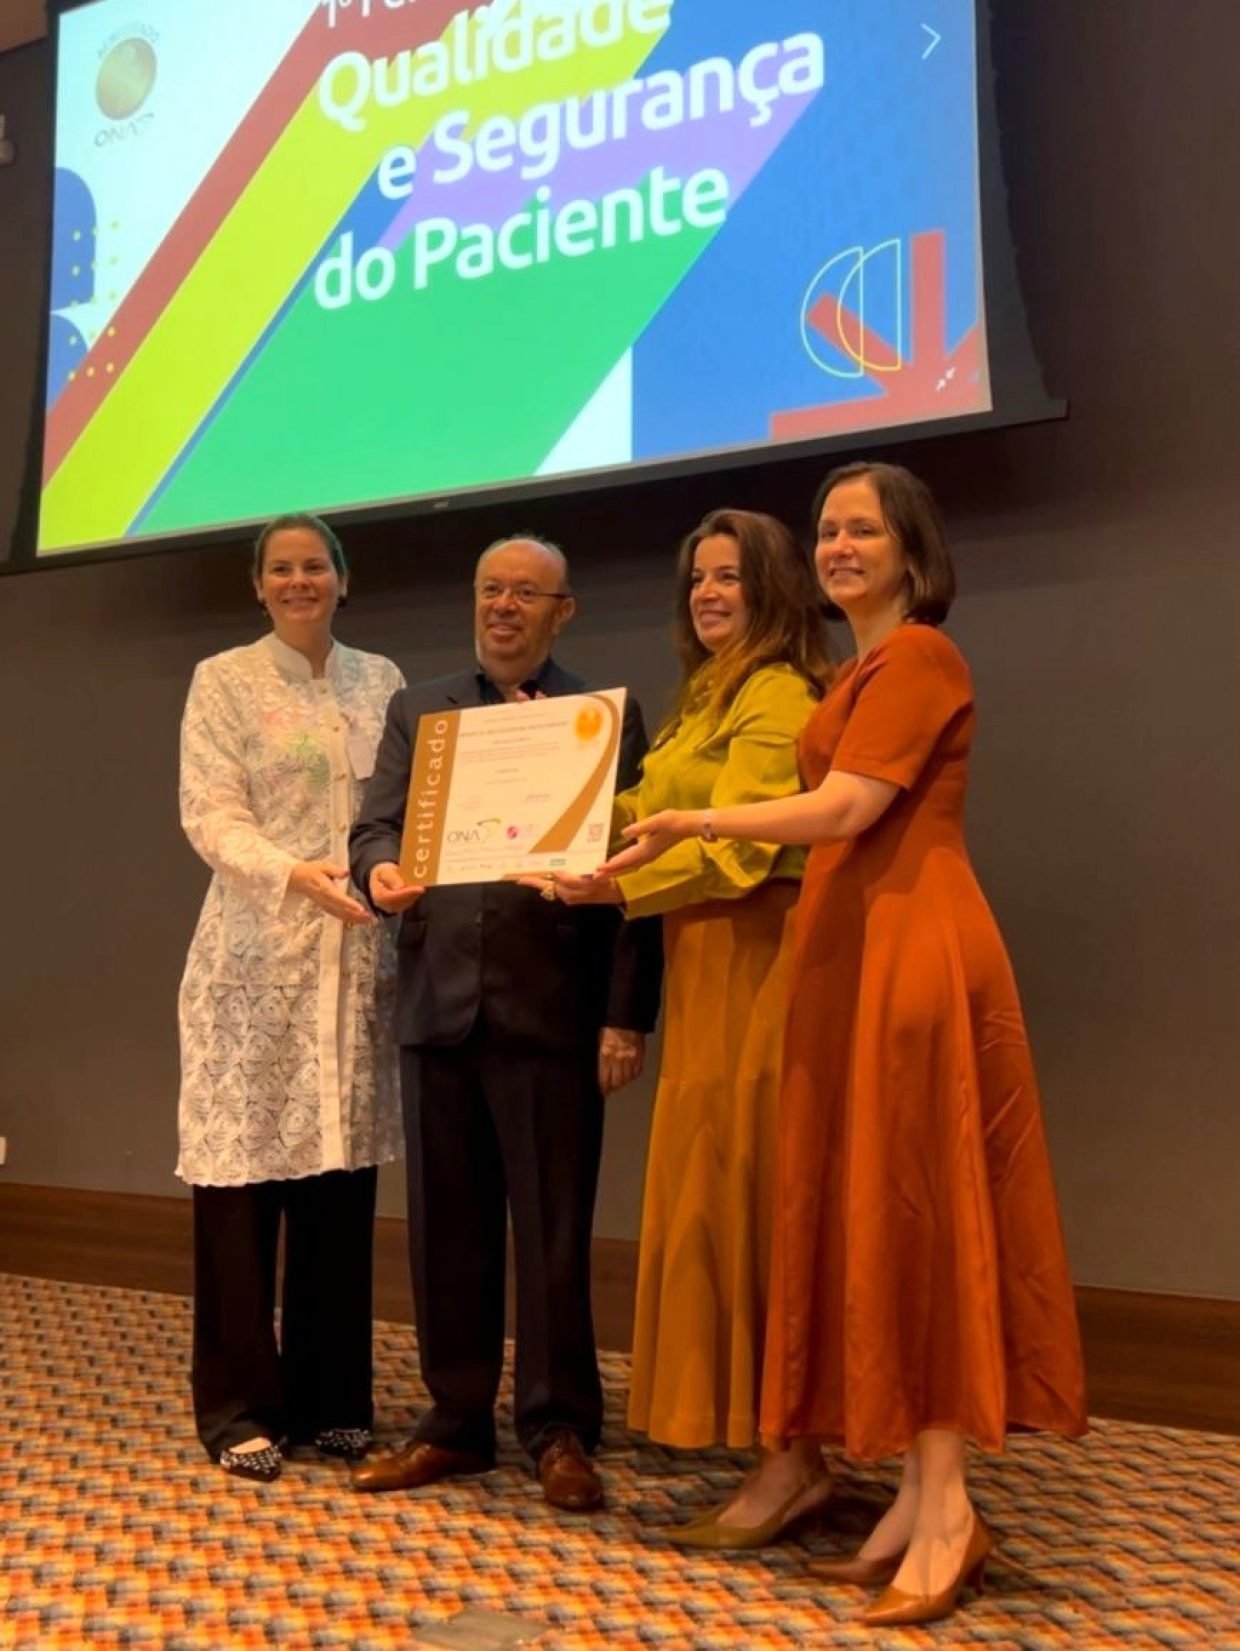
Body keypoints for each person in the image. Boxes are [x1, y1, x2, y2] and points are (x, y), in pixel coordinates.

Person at [603, 463, 1087, 1624]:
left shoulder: (916, 657)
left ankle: (949, 1503)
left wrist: (693, 816)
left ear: (912, 548)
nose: (837, 546)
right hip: (860, 950)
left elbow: (848, 809)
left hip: (912, 949)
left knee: (919, 1215)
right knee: (888, 1211)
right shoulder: (865, 667)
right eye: (826, 529)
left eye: (862, 529)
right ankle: (921, 1494)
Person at [532, 509, 834, 1542]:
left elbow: (740, 851)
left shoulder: (778, 690)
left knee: (755, 1200)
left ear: (772, 588)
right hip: (706, 970)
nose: (707, 593)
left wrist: (609, 889)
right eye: (698, 577)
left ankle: (793, 1458)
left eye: (730, 577)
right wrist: (537, 806)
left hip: (758, 966)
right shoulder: (708, 691)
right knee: (715, 1193)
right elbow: (637, 810)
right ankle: (778, 1451)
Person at [347, 534, 662, 1512]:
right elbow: (374, 825)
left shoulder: (599, 718)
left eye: (527, 593)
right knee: (445, 1231)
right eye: (492, 589)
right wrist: (378, 868)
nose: (504, 606)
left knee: (554, 1233)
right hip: (438, 1001)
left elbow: (638, 874)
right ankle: (455, 1420)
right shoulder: (420, 709)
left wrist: (625, 1017)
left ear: (563, 611)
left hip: (552, 1008)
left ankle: (558, 1427)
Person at [177, 513, 404, 1482]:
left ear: (343, 579)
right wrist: (293, 874)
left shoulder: (381, 680)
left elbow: (400, 806)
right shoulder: (223, 680)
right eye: (281, 568)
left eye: (315, 565)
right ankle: (237, 1406)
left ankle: (331, 1398)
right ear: (258, 585)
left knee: (337, 1180)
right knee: (240, 1190)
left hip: (354, 964)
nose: (298, 580)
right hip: (254, 963)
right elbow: (209, 814)